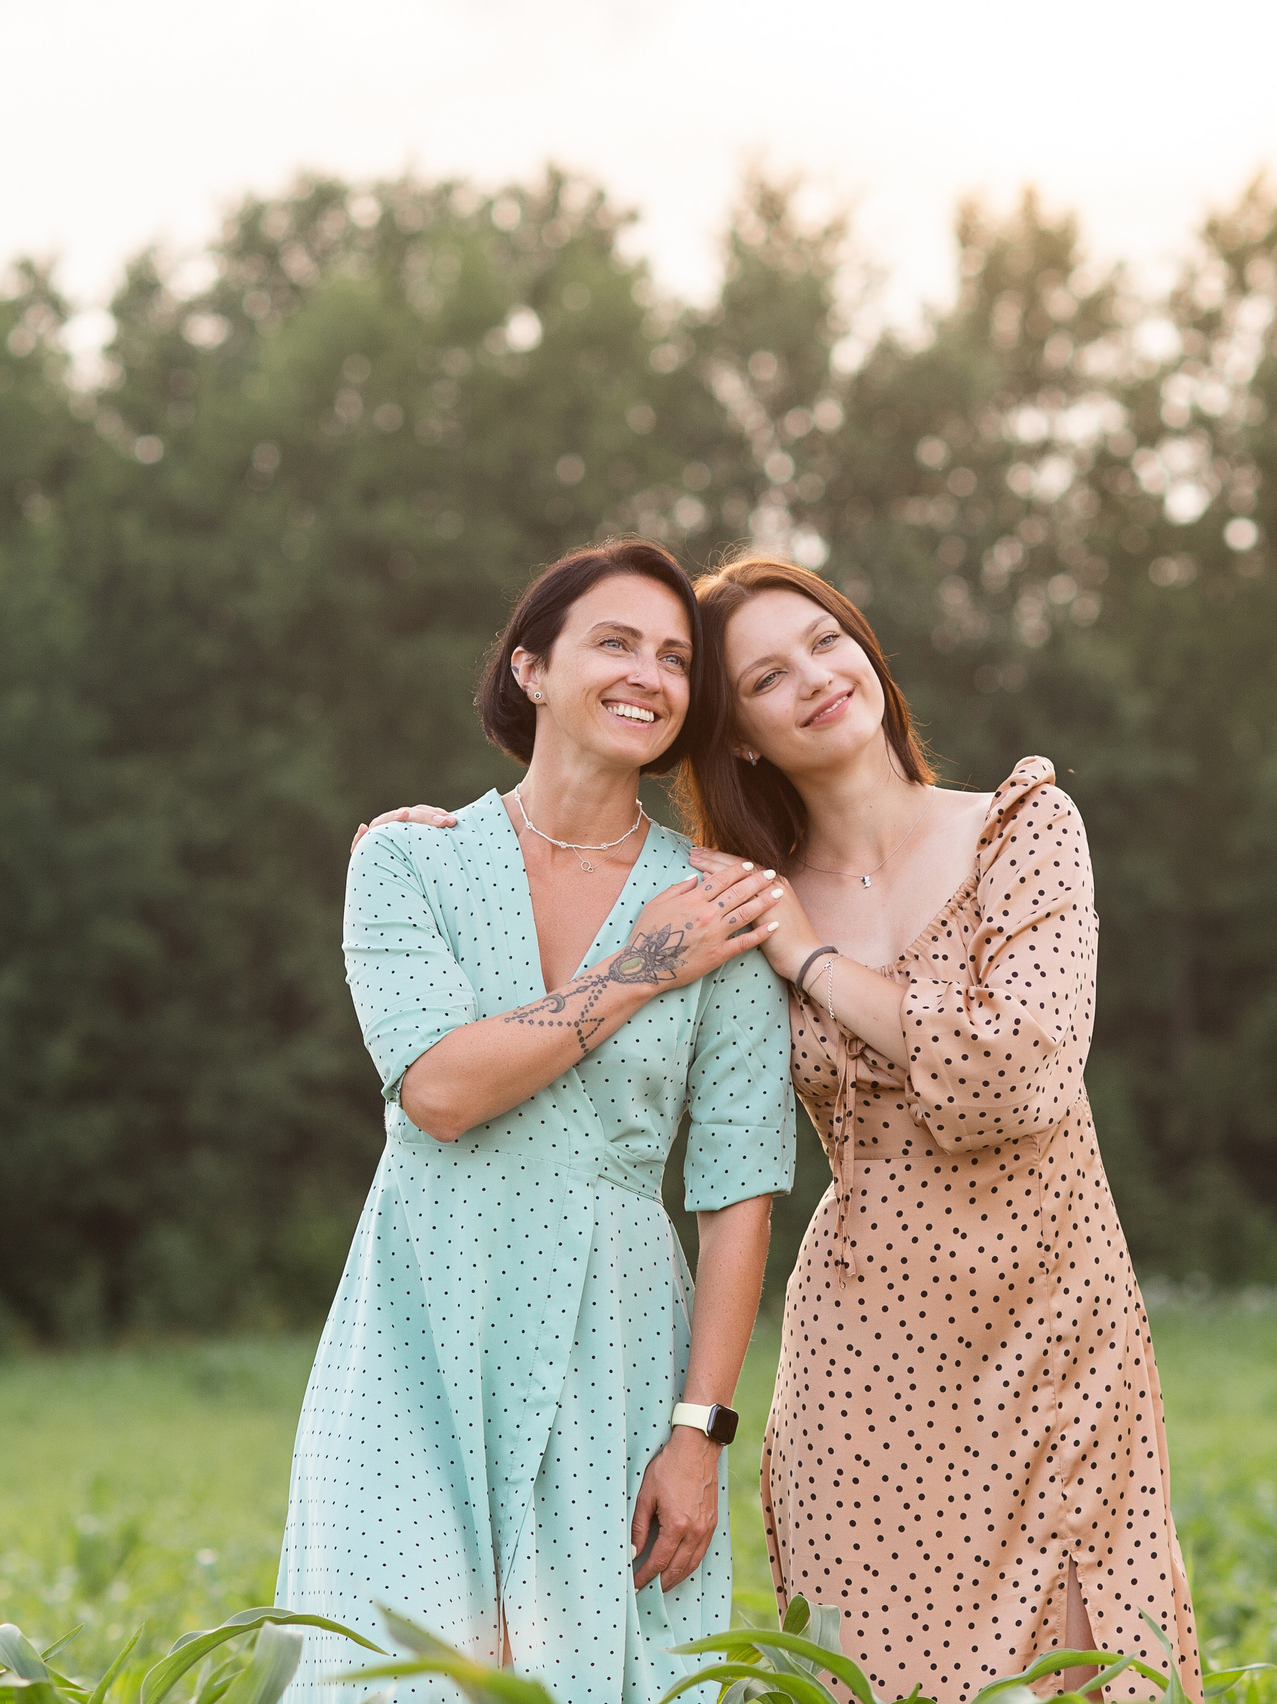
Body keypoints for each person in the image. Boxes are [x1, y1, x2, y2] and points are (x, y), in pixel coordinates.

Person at [281, 538, 796, 1704]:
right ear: (531, 669)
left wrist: (700, 1436)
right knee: (392, 1675)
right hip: (418, 1320)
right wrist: (642, 966)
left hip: (613, 1339)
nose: (648, 674)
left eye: (674, 657)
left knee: (593, 1674)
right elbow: (443, 1094)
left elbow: (738, 1196)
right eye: (614, 642)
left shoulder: (724, 902)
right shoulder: (409, 859)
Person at [675, 557, 1198, 1702]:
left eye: (824, 640)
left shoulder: (1022, 825)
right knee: (881, 1677)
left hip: (1055, 1327)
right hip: (863, 1357)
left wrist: (810, 959)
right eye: (768, 677)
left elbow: (1023, 1071)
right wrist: (450, 839)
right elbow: (593, 924)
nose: (815, 677)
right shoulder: (738, 894)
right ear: (743, 736)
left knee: (1086, 1668)